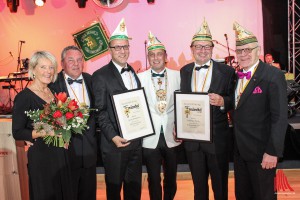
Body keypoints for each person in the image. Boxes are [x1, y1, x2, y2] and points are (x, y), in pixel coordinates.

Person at [180, 18, 235, 200]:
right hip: (193, 140)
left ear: (212, 48)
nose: (202, 50)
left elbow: (234, 100)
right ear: (192, 49)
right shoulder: (185, 71)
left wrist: (223, 102)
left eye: (206, 47)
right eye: (198, 47)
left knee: (220, 187)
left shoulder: (226, 72)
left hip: (217, 139)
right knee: (198, 187)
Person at [232, 22, 288, 200]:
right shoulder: (235, 77)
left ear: (259, 49)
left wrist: (273, 151)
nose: (244, 54)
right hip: (240, 152)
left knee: (264, 196)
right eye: (240, 51)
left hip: (263, 154)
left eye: (248, 49)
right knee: (243, 195)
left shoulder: (273, 75)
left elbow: (279, 117)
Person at [91, 18, 142, 200]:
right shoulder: (100, 76)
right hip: (114, 145)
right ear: (109, 50)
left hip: (136, 142)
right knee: (114, 190)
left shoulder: (134, 72)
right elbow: (100, 112)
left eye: (125, 47)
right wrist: (113, 137)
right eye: (117, 47)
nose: (122, 51)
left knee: (134, 188)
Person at [12, 51, 73, 199]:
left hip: (60, 154)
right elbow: (18, 132)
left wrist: (65, 135)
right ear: (33, 69)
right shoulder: (24, 97)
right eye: (43, 67)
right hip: (42, 157)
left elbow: (62, 121)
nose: (48, 71)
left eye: (51, 67)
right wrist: (45, 132)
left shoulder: (53, 92)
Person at [49, 46, 97, 200]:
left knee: (89, 194)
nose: (76, 64)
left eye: (79, 60)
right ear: (62, 63)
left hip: (89, 151)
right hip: (65, 153)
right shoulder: (52, 85)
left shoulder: (91, 80)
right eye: (71, 60)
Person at [138, 32, 181, 200]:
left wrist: (182, 126)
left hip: (173, 134)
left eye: (159, 54)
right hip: (149, 136)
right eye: (152, 54)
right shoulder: (139, 77)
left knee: (171, 176)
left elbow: (182, 103)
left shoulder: (178, 76)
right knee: (153, 177)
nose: (155, 58)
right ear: (148, 57)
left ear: (165, 56)